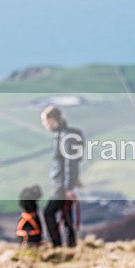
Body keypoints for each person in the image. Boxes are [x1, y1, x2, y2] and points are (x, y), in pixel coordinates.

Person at [40, 105, 83, 247]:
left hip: (61, 184)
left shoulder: (63, 136)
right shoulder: (63, 135)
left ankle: (57, 245)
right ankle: (70, 245)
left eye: (45, 121)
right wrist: (73, 180)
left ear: (52, 119)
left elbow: (69, 161)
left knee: (49, 213)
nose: (44, 125)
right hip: (63, 182)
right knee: (66, 213)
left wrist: (68, 186)